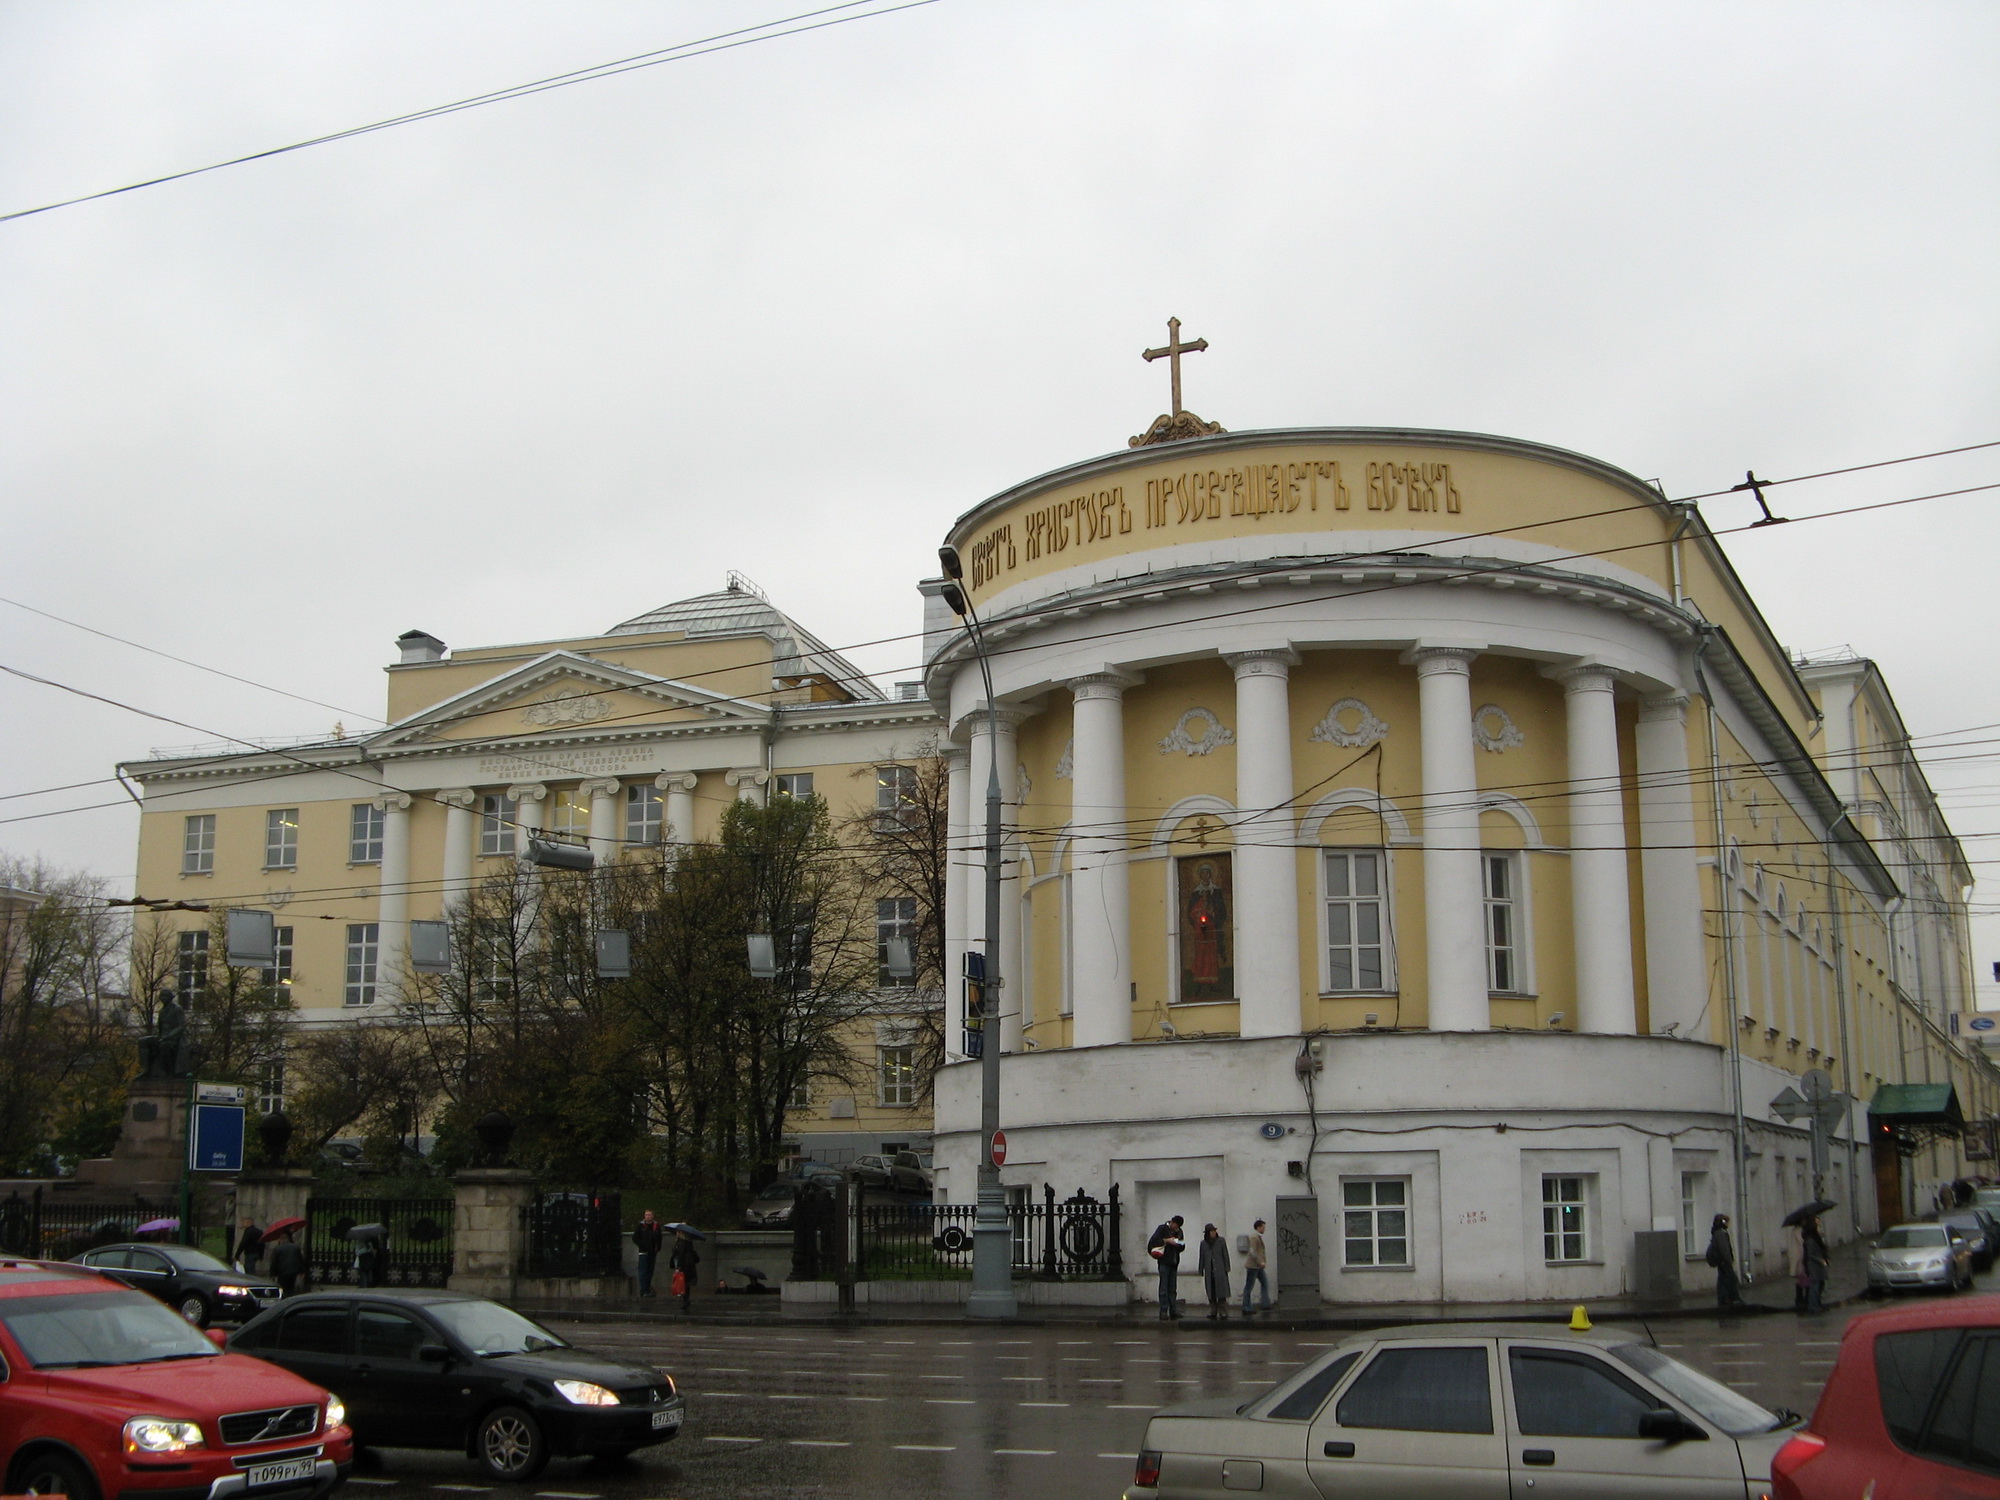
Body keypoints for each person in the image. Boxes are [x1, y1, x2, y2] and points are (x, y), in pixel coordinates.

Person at [1147, 1215, 1185, 1320]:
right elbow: (1153, 1242)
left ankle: (1173, 1310)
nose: (1176, 1228)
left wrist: (1177, 1242)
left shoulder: (1180, 1232)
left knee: (1172, 1288)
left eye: (1177, 1227)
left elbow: (1183, 1244)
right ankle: (1163, 1311)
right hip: (1164, 1261)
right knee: (1164, 1287)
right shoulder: (1162, 1229)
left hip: (1174, 1262)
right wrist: (1167, 1241)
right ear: (1172, 1222)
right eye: (1175, 1226)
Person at [1705, 1214, 1742, 1308]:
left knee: (1723, 1280)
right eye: (1727, 1221)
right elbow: (1724, 1248)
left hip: (1721, 1261)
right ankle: (1733, 1299)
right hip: (1724, 1261)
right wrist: (1729, 1260)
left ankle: (1725, 1299)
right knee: (1731, 1279)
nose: (1728, 1224)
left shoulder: (1717, 1232)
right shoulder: (1721, 1233)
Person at [1197, 1223, 1232, 1319]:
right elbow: (1202, 1257)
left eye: (1214, 1231)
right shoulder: (1203, 1243)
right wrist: (1200, 1269)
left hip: (1220, 1270)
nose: (1213, 1233)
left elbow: (1225, 1254)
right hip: (1209, 1271)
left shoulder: (1221, 1241)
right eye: (1211, 1231)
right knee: (1211, 1292)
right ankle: (1213, 1310)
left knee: (1221, 1292)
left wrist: (1227, 1267)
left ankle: (1222, 1311)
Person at [1240, 1219, 1272, 1315]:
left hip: (1257, 1267)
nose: (1264, 1229)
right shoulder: (1254, 1237)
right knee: (1249, 1287)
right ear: (1258, 1227)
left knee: (1265, 1283)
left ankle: (1265, 1303)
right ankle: (1246, 1307)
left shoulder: (1258, 1237)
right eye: (1263, 1227)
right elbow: (1253, 1252)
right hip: (1253, 1266)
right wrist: (1260, 1262)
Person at [1799, 1215, 1829, 1314]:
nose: (1819, 1221)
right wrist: (1820, 1260)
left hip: (1818, 1266)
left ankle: (1817, 1304)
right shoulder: (1810, 1240)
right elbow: (1811, 1255)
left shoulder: (1815, 1236)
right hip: (1814, 1266)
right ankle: (1813, 1306)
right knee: (1814, 1286)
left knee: (1819, 1284)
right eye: (1817, 1220)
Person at [264, 1228, 305, 1297]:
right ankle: (291, 1298)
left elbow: (274, 1262)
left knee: (283, 1288)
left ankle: (284, 1299)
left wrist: (272, 1274)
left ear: (280, 1239)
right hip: (293, 1271)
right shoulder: (295, 1247)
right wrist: (302, 1271)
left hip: (282, 1272)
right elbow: (300, 1260)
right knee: (291, 1287)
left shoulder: (278, 1248)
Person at [669, 1227, 701, 1314]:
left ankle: (686, 1301)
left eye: (677, 1232)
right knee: (686, 1284)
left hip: (684, 1266)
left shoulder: (681, 1243)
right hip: (689, 1265)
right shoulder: (688, 1242)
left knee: (684, 1283)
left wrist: (678, 1267)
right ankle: (686, 1300)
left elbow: (681, 1255)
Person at [633, 1210, 664, 1298]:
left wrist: (658, 1248)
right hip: (643, 1251)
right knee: (643, 1271)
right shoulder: (640, 1226)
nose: (648, 1216)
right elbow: (635, 1238)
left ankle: (647, 1288)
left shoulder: (656, 1226)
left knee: (650, 1271)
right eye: (646, 1215)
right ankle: (643, 1290)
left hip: (652, 1251)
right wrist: (643, 1244)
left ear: (652, 1216)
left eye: (649, 1215)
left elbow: (659, 1238)